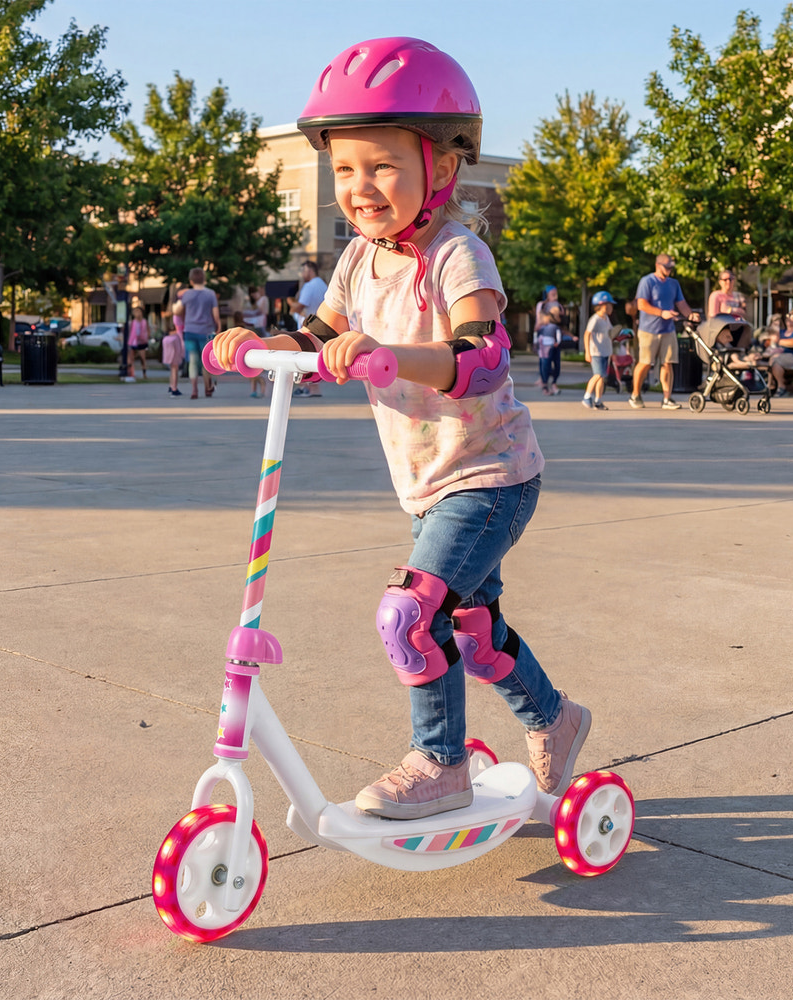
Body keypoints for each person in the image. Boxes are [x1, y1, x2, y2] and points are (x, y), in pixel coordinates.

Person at [212, 35, 591, 821]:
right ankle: (555, 717)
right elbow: (318, 340)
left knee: (409, 614)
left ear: (442, 168)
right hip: (426, 485)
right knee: (473, 630)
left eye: (382, 165)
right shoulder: (356, 260)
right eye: (345, 169)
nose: (360, 186)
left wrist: (389, 356)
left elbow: (482, 356)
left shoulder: (459, 254)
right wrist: (250, 348)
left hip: (489, 474)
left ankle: (440, 763)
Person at [630, 253, 700, 410]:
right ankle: (635, 394)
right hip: (649, 330)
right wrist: (662, 313)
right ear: (657, 265)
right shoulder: (647, 281)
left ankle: (667, 399)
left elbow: (681, 303)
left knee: (668, 363)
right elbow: (641, 305)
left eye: (671, 267)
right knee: (646, 363)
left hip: (668, 329)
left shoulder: (673, 284)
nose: (669, 270)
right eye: (667, 267)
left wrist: (690, 315)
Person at [173, 267, 221, 399]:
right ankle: (207, 388)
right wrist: (218, 326)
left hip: (190, 330)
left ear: (191, 281)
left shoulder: (186, 295)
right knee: (206, 361)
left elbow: (179, 311)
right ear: (204, 279)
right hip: (206, 331)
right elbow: (215, 314)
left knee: (193, 361)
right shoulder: (210, 294)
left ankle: (194, 390)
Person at [289, 262, 329, 397]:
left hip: (308, 327)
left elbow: (298, 307)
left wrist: (290, 303)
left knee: (302, 357)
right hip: (322, 326)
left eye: (303, 271)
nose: (302, 274)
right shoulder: (323, 285)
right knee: (316, 358)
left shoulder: (309, 286)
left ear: (310, 270)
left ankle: (305, 387)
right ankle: (314, 389)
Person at [582, 291, 616, 410]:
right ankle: (587, 396)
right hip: (596, 352)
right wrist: (587, 351)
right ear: (602, 305)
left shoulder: (606, 318)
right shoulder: (595, 319)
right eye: (610, 304)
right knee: (598, 375)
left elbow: (610, 332)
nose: (611, 307)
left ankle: (598, 400)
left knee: (602, 377)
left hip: (605, 351)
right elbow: (587, 334)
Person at [768, 311, 793, 397]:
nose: (789, 317)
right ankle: (780, 387)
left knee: (775, 359)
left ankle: (770, 385)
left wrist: (779, 341)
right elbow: (771, 339)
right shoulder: (782, 331)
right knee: (776, 363)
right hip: (780, 357)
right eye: (788, 315)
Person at [535, 304, 564, 395]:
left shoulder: (556, 325)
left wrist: (557, 342)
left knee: (555, 366)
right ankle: (545, 385)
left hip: (553, 347)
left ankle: (552, 384)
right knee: (545, 366)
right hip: (545, 349)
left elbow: (560, 333)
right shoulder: (542, 327)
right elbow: (537, 337)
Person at [127, 305, 151, 380]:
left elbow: (148, 330)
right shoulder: (132, 322)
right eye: (135, 312)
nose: (137, 313)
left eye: (138, 311)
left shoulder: (144, 321)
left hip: (142, 341)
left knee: (142, 358)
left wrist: (147, 337)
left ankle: (144, 373)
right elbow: (130, 331)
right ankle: (131, 373)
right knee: (130, 358)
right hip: (133, 341)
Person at [162, 322, 185, 396]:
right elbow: (178, 348)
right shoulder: (176, 338)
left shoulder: (165, 339)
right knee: (175, 372)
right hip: (175, 357)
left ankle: (171, 385)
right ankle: (174, 388)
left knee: (172, 371)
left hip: (168, 358)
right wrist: (181, 355)